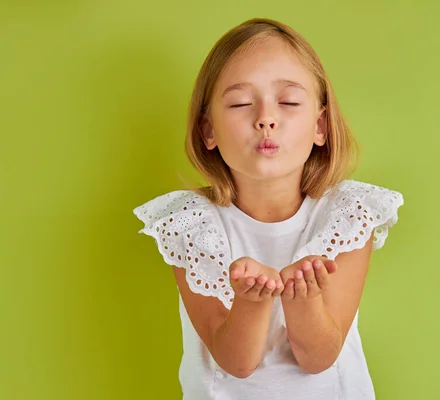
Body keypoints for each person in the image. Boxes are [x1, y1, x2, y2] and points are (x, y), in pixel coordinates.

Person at [132, 17, 404, 400]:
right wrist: (250, 300)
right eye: (241, 103)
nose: (265, 118)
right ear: (208, 130)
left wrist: (304, 298)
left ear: (320, 126)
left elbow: (319, 356)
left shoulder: (347, 215)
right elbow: (235, 362)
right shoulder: (189, 224)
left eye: (289, 102)